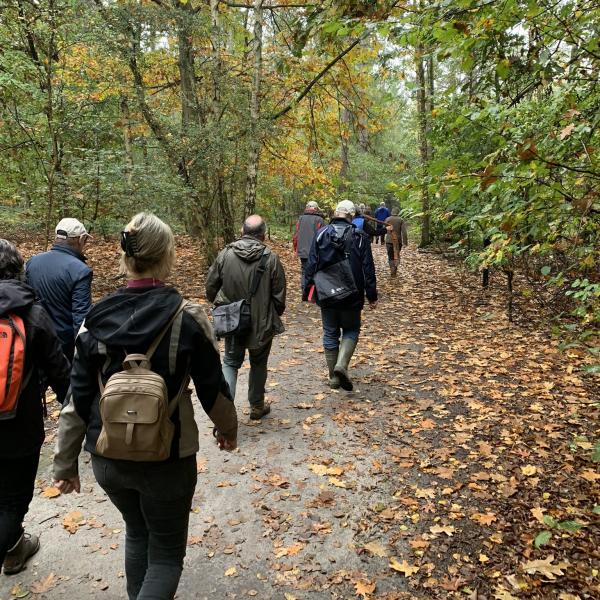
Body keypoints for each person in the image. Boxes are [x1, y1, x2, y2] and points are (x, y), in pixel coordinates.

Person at [53, 213, 238, 600]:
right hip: (167, 457)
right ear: (167, 256)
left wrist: (65, 463)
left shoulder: (94, 320)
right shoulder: (187, 317)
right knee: (166, 556)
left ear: (124, 256)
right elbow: (213, 388)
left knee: (137, 532)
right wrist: (227, 429)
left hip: (108, 456)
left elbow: (77, 398)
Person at [0, 240, 70, 575]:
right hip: (19, 426)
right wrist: (79, 418)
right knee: (13, 499)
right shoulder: (32, 312)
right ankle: (11, 544)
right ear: (18, 269)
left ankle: (14, 549)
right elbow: (59, 370)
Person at [206, 215, 286, 420]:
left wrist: (222, 305)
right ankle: (257, 406)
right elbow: (279, 296)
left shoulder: (225, 254)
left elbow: (211, 286)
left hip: (233, 320)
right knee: (259, 363)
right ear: (263, 235)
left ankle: (224, 415)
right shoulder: (271, 258)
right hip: (262, 322)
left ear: (242, 231)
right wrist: (272, 314)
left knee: (231, 362)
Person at [304, 200, 377, 392]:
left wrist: (308, 290)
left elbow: (311, 264)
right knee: (351, 329)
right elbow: (368, 267)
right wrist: (372, 295)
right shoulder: (360, 236)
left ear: (335, 213)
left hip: (326, 292)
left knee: (330, 332)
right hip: (353, 292)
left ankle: (333, 379)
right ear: (351, 215)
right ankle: (341, 366)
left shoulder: (321, 234)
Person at [26, 218, 93, 362]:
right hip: (63, 347)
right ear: (80, 239)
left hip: (33, 338)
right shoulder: (81, 270)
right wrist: (83, 354)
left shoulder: (32, 262)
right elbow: (81, 317)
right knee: (65, 385)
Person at [293, 201, 325, 300]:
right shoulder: (319, 219)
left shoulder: (301, 218)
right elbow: (323, 236)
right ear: (316, 209)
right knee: (315, 271)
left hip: (302, 250)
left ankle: (304, 292)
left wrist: (295, 248)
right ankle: (312, 295)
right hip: (315, 251)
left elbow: (296, 235)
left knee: (304, 271)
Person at [385, 207, 409, 277]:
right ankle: (395, 268)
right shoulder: (401, 220)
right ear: (398, 212)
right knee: (396, 255)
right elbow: (404, 232)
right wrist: (405, 242)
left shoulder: (387, 219)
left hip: (389, 240)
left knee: (390, 256)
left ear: (392, 212)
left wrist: (382, 238)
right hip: (398, 241)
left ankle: (392, 269)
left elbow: (384, 229)